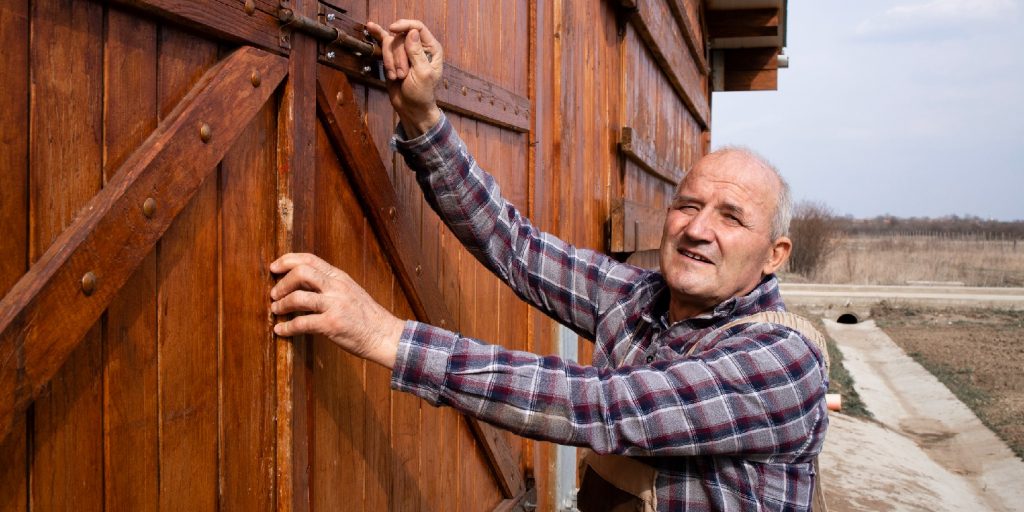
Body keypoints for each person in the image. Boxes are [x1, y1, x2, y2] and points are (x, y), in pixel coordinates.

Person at [269, 19, 829, 512]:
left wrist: (386, 335)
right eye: (688, 205)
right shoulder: (641, 299)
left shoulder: (780, 362)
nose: (698, 228)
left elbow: (605, 409)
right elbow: (517, 248)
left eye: (731, 218)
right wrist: (422, 117)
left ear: (774, 255)